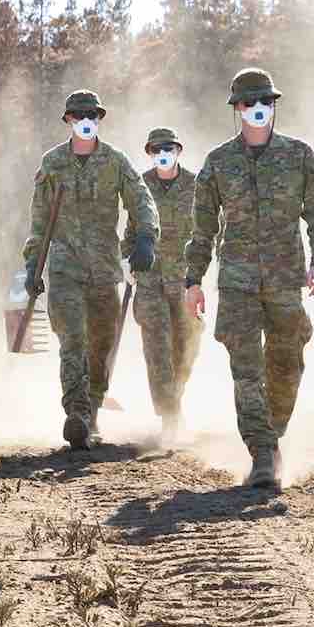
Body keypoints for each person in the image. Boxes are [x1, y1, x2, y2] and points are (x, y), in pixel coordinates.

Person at [184, 68, 314, 489]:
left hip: (286, 279)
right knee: (246, 369)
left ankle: (273, 432)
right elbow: (202, 231)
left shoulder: (299, 156)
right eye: (248, 103)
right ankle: (262, 453)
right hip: (237, 282)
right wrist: (192, 281)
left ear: (274, 106)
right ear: (236, 109)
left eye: (264, 102)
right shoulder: (217, 163)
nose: (257, 110)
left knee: (287, 362)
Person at [23, 90, 159, 450]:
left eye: (92, 114)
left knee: (101, 344)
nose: (86, 120)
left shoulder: (115, 161)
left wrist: (145, 236)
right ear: (68, 119)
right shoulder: (52, 162)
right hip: (65, 267)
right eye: (78, 114)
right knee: (73, 340)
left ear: (99, 119)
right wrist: (31, 266)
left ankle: (93, 409)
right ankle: (77, 413)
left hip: (104, 269)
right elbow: (39, 221)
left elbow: (141, 200)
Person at [124, 126, 204, 446]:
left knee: (187, 344)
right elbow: (131, 230)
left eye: (168, 147)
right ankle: (170, 415)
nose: (162, 153)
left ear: (178, 151)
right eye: (156, 149)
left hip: (184, 278)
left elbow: (212, 228)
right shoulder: (140, 186)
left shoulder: (197, 186)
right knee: (157, 348)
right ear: (149, 153)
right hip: (150, 279)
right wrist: (125, 259)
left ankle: (175, 397)